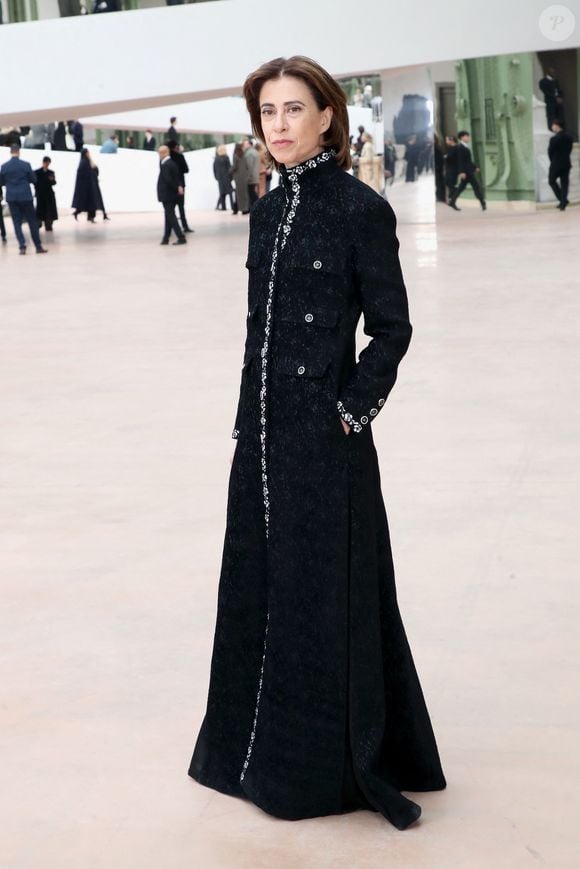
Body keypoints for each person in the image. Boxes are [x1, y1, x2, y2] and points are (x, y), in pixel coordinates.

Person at [188, 54, 446, 832]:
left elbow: (392, 330)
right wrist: (242, 428)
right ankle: (247, 752)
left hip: (325, 443)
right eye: (267, 112)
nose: (279, 125)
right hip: (263, 441)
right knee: (260, 591)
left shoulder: (360, 208)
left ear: (327, 115)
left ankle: (324, 765)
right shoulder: (266, 211)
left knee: (324, 598)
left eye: (293, 110)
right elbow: (255, 338)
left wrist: (349, 412)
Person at [0, 144, 48, 255]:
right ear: (19, 152)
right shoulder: (25, 165)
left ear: (11, 152)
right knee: (32, 221)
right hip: (25, 196)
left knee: (16, 222)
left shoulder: (4, 167)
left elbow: (1, 182)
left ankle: (22, 246)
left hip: (12, 197)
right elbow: (33, 179)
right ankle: (38, 246)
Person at [449, 130, 486, 211]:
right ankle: (483, 203)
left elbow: (468, 160)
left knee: (461, 188)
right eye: (467, 136)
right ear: (462, 137)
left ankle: (452, 201)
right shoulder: (460, 147)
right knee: (476, 187)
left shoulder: (465, 146)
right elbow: (460, 160)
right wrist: (462, 172)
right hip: (466, 172)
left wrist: (474, 167)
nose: (468, 138)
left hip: (468, 171)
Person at [156, 144, 186, 245]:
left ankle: (181, 237)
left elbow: (169, 180)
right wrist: (179, 187)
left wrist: (177, 188)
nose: (158, 155)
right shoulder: (171, 163)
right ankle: (166, 238)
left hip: (168, 194)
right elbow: (177, 178)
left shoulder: (166, 164)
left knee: (171, 216)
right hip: (171, 194)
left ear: (163, 153)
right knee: (168, 216)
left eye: (159, 153)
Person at [72, 148, 108, 222]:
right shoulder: (84, 163)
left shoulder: (87, 162)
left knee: (92, 203)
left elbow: (95, 170)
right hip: (89, 187)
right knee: (91, 203)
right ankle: (90, 217)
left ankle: (98, 216)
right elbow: (87, 174)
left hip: (92, 186)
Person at [548, 120, 573, 211]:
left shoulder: (554, 139)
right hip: (566, 163)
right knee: (564, 184)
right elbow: (569, 150)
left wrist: (553, 161)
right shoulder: (569, 137)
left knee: (551, 181)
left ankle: (563, 200)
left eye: (553, 125)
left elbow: (550, 152)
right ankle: (563, 203)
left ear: (557, 126)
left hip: (556, 164)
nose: (552, 127)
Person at [168, 140, 193, 232]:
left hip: (170, 186)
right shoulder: (180, 157)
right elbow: (186, 169)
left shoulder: (168, 158)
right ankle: (185, 226)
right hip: (181, 184)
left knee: (170, 209)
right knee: (181, 206)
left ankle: (170, 228)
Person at [35, 156, 58, 231]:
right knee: (40, 209)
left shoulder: (50, 172)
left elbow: (54, 183)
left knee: (49, 210)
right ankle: (39, 223)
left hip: (49, 194)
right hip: (40, 194)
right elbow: (35, 182)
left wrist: (51, 180)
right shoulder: (37, 172)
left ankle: (48, 224)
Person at [213, 144, 237, 212]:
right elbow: (229, 168)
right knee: (230, 192)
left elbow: (214, 169)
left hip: (220, 179)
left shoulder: (216, 159)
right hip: (226, 178)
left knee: (222, 193)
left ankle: (223, 207)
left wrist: (217, 177)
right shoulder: (226, 157)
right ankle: (233, 206)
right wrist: (231, 177)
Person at [231, 141, 250, 214]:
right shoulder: (244, 155)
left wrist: (229, 171)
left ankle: (241, 209)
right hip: (244, 177)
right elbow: (247, 166)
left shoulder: (235, 155)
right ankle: (245, 209)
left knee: (239, 194)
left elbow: (234, 167)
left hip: (238, 177)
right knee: (244, 194)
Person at [243, 138, 260, 209]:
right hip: (255, 176)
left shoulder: (249, 153)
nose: (244, 145)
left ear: (249, 144)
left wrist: (247, 177)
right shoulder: (255, 151)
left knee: (251, 193)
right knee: (252, 192)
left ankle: (257, 206)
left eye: (245, 144)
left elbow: (249, 167)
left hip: (250, 177)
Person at [444, 134, 460, 209]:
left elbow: (450, 157)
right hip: (449, 168)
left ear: (451, 140)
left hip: (453, 169)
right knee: (448, 182)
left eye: (447, 140)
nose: (446, 141)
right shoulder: (451, 148)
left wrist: (446, 156)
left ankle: (452, 198)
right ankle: (451, 198)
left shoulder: (456, 148)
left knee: (451, 183)